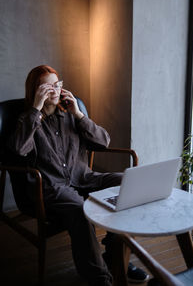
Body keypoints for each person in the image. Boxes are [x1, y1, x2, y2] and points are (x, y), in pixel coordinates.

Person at [7, 65, 149, 285]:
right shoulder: (27, 120)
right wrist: (36, 108)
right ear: (36, 91)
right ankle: (99, 280)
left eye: (57, 85)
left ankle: (113, 257)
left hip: (83, 178)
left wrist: (79, 114)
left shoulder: (71, 114)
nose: (54, 91)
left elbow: (103, 142)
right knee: (80, 209)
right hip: (51, 188)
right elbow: (17, 150)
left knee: (126, 182)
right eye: (47, 87)